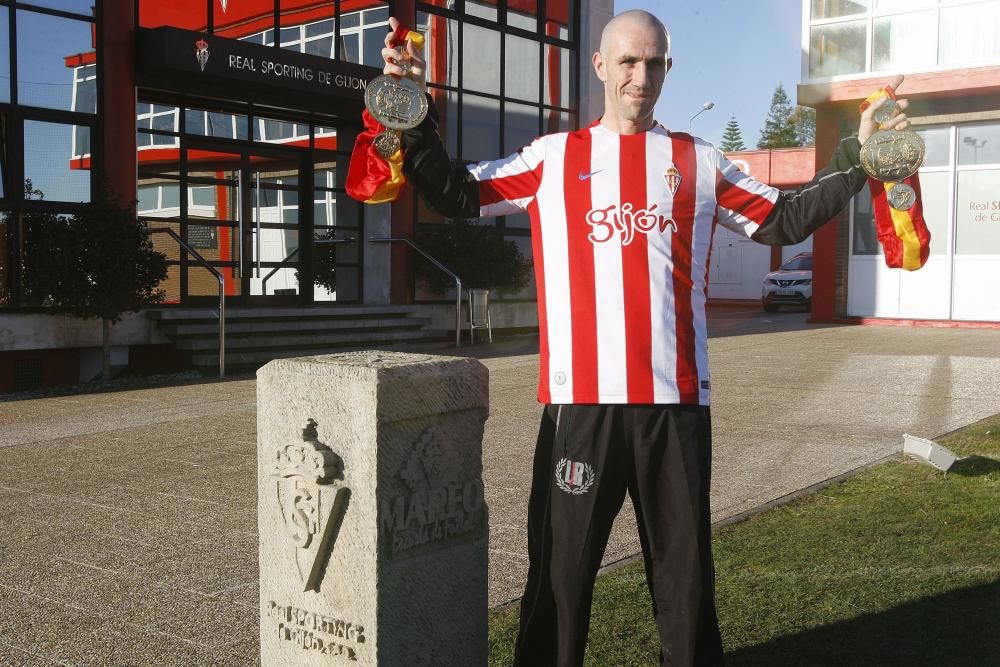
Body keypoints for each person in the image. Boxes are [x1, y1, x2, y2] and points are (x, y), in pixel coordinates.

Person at [380, 9, 909, 666]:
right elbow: (457, 191)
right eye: (628, 61)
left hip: (675, 410)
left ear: (668, 69)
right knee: (558, 582)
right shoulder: (552, 159)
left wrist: (856, 156)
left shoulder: (700, 162)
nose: (641, 75)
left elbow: (785, 219)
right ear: (601, 66)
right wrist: (411, 109)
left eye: (654, 62)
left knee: (685, 587)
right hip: (583, 410)